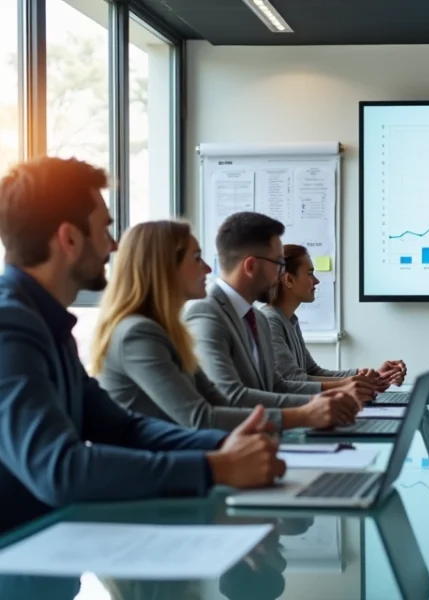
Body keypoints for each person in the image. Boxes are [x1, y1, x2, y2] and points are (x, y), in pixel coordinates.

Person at [0, 157, 283, 534]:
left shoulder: (47, 323)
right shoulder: (10, 327)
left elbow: (124, 430)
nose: (114, 244)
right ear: (69, 239)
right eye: (104, 229)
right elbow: (61, 469)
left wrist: (226, 442)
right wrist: (215, 466)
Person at [92, 221, 360, 432]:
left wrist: (320, 403)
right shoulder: (139, 334)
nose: (208, 268)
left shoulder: (168, 331)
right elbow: (201, 416)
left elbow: (214, 397)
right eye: (197, 258)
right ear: (163, 267)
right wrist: (305, 413)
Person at [185, 212, 377, 410]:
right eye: (279, 264)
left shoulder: (257, 319)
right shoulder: (206, 314)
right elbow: (231, 397)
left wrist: (342, 391)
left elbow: (277, 386)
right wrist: (318, 405)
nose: (281, 275)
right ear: (251, 266)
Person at [261, 243, 406, 388]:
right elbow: (293, 380)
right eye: (310, 273)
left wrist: (371, 376)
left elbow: (313, 371)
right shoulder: (270, 321)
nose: (316, 281)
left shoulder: (289, 320)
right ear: (289, 280)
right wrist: (357, 382)